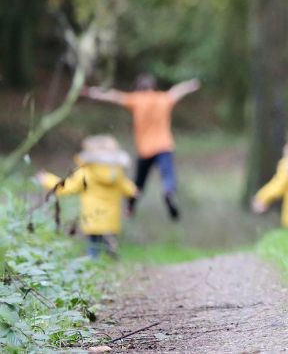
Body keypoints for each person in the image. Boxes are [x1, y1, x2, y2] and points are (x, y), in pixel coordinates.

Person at [81, 74, 200, 220]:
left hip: (145, 150)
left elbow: (114, 96)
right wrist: (191, 84)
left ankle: (130, 208)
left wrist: (92, 92)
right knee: (168, 175)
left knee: (139, 182)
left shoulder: (137, 99)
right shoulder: (163, 98)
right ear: (153, 87)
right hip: (164, 146)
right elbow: (176, 91)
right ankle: (168, 192)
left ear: (138, 88)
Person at [38, 135, 138, 258]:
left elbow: (66, 187)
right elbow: (130, 189)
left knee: (93, 245)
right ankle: (111, 255)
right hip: (111, 218)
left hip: (93, 217)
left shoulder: (86, 172)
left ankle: (94, 260)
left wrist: (47, 179)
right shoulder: (117, 173)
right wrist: (133, 197)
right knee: (106, 242)